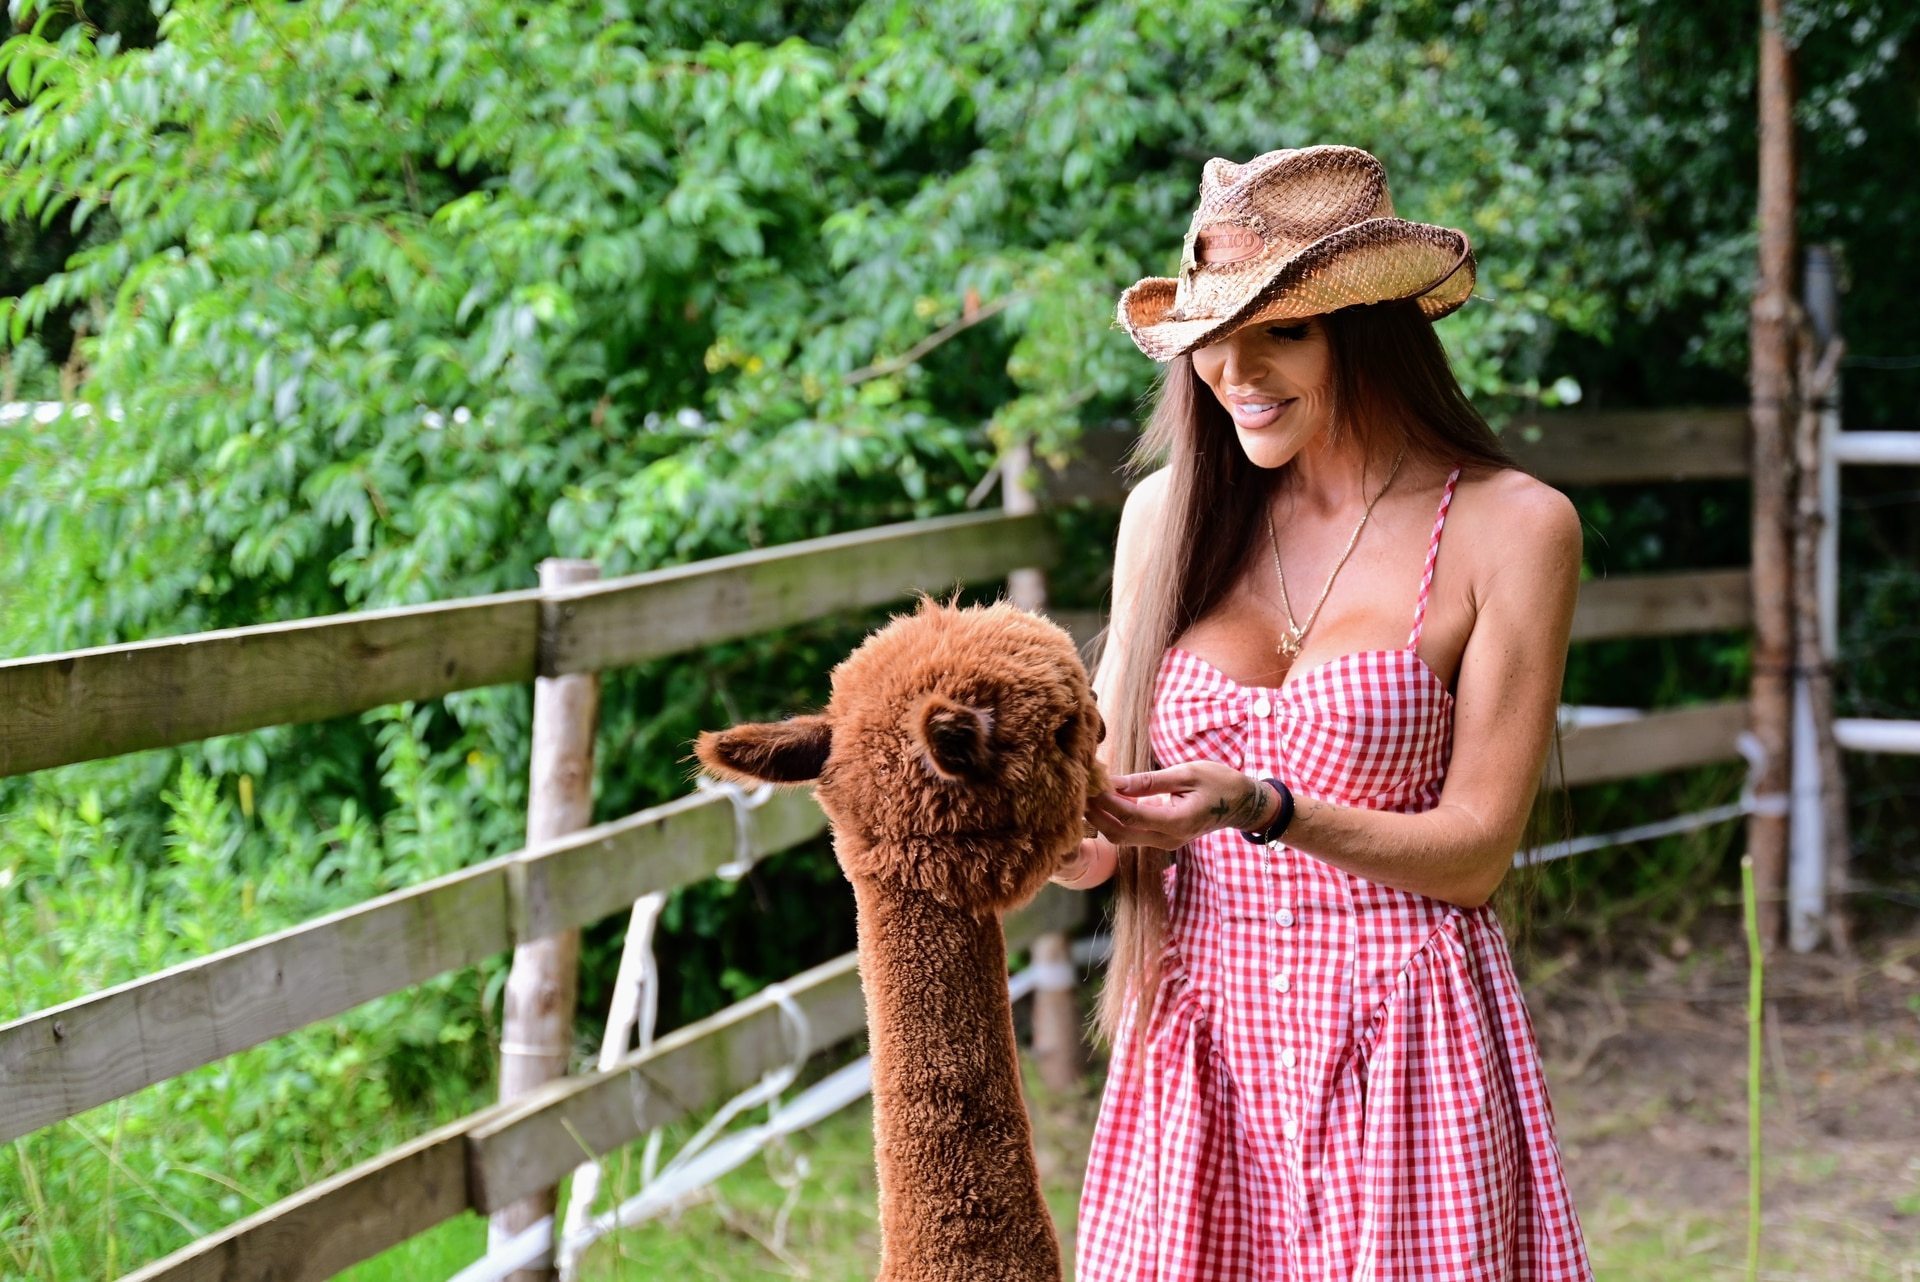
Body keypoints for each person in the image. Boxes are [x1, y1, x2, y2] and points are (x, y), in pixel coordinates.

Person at [1050, 146, 1594, 1280]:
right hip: (1199, 1040)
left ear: (1372, 328)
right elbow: (1097, 838)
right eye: (1213, 338)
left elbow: (1476, 854)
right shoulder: (1168, 517)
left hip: (1404, 1044)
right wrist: (1010, 806)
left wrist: (1261, 805)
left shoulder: (1512, 527)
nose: (1233, 371)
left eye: (1280, 332)